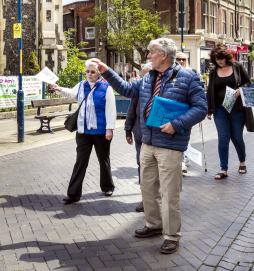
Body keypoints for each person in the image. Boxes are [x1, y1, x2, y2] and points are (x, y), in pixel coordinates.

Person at [92, 38, 207, 255]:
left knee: (170, 192)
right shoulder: (147, 78)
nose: (148, 56)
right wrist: (106, 71)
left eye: (151, 52)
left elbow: (201, 108)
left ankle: (172, 236)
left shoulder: (188, 77)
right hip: (147, 143)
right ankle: (154, 225)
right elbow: (126, 89)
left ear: (164, 54)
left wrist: (177, 123)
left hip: (170, 145)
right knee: (147, 188)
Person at [49, 59, 117, 204]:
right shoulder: (81, 85)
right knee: (80, 161)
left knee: (103, 159)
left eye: (93, 72)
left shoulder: (106, 87)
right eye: (87, 71)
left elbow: (111, 110)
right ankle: (73, 194)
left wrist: (109, 129)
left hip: (100, 131)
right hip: (83, 131)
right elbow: (71, 94)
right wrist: (58, 88)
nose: (90, 74)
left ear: (99, 72)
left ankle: (107, 186)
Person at [206, 43, 251, 180]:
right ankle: (223, 169)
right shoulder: (214, 71)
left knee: (236, 137)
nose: (219, 61)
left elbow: (247, 82)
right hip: (220, 109)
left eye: (221, 58)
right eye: (216, 59)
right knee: (223, 138)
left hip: (237, 108)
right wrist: (209, 109)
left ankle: (242, 162)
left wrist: (240, 90)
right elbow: (209, 90)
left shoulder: (237, 67)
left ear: (226, 57)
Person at [124, 62, 152, 213]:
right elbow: (131, 111)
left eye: (149, 74)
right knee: (142, 166)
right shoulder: (138, 90)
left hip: (156, 137)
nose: (145, 78)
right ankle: (145, 198)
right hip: (140, 136)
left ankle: (156, 198)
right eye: (144, 75)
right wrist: (128, 130)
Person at [175, 52, 191, 173]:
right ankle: (181, 161)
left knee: (185, 136)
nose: (181, 61)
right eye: (178, 59)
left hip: (187, 110)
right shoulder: (172, 73)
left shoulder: (191, 74)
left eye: (183, 59)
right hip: (175, 109)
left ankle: (184, 159)